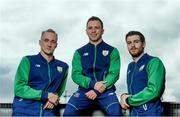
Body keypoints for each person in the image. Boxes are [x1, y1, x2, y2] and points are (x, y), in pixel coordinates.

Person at [63, 16, 123, 116]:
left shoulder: (113, 51)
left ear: (102, 30)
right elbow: (75, 75)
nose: (93, 31)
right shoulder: (79, 52)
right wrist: (92, 84)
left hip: (106, 92)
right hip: (84, 92)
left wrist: (97, 90)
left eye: (97, 28)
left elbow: (114, 74)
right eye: (90, 28)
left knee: (115, 112)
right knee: (68, 113)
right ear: (86, 31)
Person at [12, 29, 69, 116]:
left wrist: (53, 98)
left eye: (53, 41)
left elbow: (58, 91)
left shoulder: (63, 67)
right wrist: (47, 95)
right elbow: (19, 88)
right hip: (24, 110)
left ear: (56, 45)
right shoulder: (28, 61)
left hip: (48, 111)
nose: (49, 44)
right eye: (46, 40)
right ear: (40, 42)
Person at [120, 31, 166, 116]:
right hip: (134, 113)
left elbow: (154, 91)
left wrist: (128, 100)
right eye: (129, 43)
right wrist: (124, 95)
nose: (132, 45)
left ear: (143, 44)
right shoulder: (130, 66)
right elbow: (134, 91)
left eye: (136, 42)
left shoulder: (154, 62)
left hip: (151, 112)